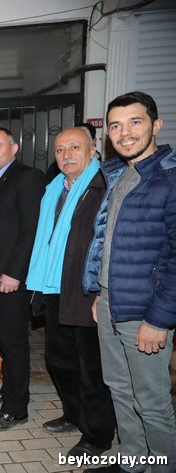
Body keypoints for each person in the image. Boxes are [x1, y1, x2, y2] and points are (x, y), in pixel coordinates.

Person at [83, 91, 176, 473]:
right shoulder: (119, 174)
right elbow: (108, 241)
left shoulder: (169, 179)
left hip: (145, 310)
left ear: (156, 125)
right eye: (116, 126)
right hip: (111, 301)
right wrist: (100, 290)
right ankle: (133, 464)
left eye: (135, 122)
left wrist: (159, 320)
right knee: (120, 390)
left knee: (152, 402)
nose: (125, 133)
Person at [26, 127, 115, 458]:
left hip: (86, 290)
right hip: (55, 286)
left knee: (92, 368)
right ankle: (74, 414)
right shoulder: (55, 188)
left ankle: (97, 435)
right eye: (60, 149)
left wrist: (101, 291)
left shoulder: (103, 187)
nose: (66, 155)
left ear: (92, 150)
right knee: (59, 359)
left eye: (75, 147)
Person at [0, 127, 45, 430]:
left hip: (10, 277)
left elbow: (32, 229)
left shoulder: (27, 177)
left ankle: (16, 409)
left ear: (13, 149)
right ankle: (9, 390)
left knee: (13, 343)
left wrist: (14, 272)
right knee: (0, 338)